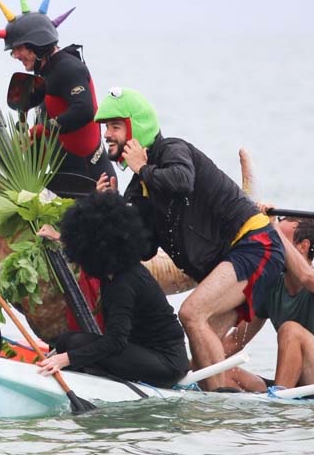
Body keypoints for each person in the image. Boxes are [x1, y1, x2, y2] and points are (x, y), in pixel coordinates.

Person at [94, 87, 285, 390]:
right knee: (200, 360)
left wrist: (143, 168)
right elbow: (142, 249)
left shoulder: (172, 149)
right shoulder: (138, 187)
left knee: (190, 313)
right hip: (230, 263)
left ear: (137, 128)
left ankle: (213, 410)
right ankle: (229, 407)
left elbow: (182, 181)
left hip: (255, 245)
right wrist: (111, 205)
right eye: (106, 128)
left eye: (115, 127)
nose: (107, 135)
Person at [34, 190, 189, 388]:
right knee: (65, 340)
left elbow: (115, 341)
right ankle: (83, 377)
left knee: (74, 345)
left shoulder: (124, 284)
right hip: (141, 349)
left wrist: (65, 359)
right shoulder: (114, 269)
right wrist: (59, 236)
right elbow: (91, 239)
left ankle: (96, 385)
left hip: (167, 363)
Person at [0, 0, 115, 182]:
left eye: (18, 48)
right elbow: (45, 120)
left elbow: (84, 110)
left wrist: (42, 128)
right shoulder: (44, 73)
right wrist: (25, 136)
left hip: (93, 179)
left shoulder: (68, 68)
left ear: (37, 44)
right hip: (64, 177)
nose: (15, 55)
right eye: (12, 51)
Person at [222, 213, 314, 398]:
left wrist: (272, 226)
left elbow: (306, 276)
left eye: (278, 239)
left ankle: (278, 404)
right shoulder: (271, 288)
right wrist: (187, 367)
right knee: (222, 374)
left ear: (304, 246)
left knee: (290, 329)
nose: (272, 246)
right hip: (297, 386)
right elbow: (235, 341)